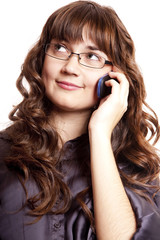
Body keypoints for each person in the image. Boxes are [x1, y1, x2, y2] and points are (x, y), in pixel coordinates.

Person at [0, 1, 160, 239]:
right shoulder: (4, 151)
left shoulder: (138, 169)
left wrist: (100, 134)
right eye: (61, 48)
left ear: (115, 75)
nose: (70, 67)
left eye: (92, 56)